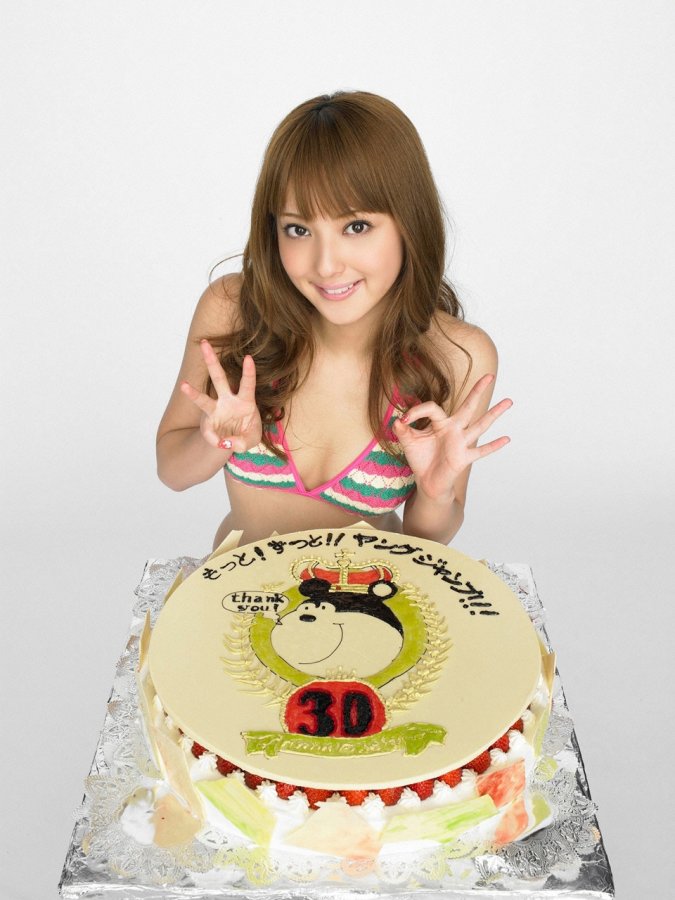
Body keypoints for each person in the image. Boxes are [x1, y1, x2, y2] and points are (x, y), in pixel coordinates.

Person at [157, 91, 512, 550]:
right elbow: (172, 471)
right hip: (239, 591)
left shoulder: (457, 354)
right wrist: (215, 441)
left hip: (375, 588)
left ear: (409, 221)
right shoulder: (234, 310)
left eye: (356, 227)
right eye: (298, 229)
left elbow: (428, 537)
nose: (326, 265)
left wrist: (435, 492)